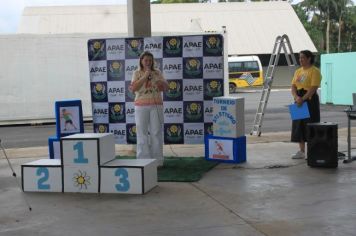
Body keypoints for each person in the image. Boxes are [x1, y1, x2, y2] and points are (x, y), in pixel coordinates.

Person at [130, 51, 168, 166]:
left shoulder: (157, 72)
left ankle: (157, 161)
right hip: (141, 106)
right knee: (142, 133)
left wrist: (159, 81)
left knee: (156, 133)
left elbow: (165, 88)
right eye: (145, 60)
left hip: (156, 105)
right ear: (141, 61)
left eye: (150, 60)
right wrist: (145, 76)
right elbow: (133, 88)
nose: (148, 62)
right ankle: (143, 160)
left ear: (153, 62)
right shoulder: (136, 73)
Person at [291, 50, 322, 159]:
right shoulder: (298, 71)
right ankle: (301, 151)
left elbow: (313, 88)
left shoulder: (315, 71)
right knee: (299, 125)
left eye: (303, 57)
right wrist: (296, 97)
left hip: (309, 100)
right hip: (298, 98)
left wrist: (303, 99)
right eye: (299, 58)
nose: (300, 60)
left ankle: (312, 151)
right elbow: (293, 86)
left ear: (309, 58)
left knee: (310, 124)